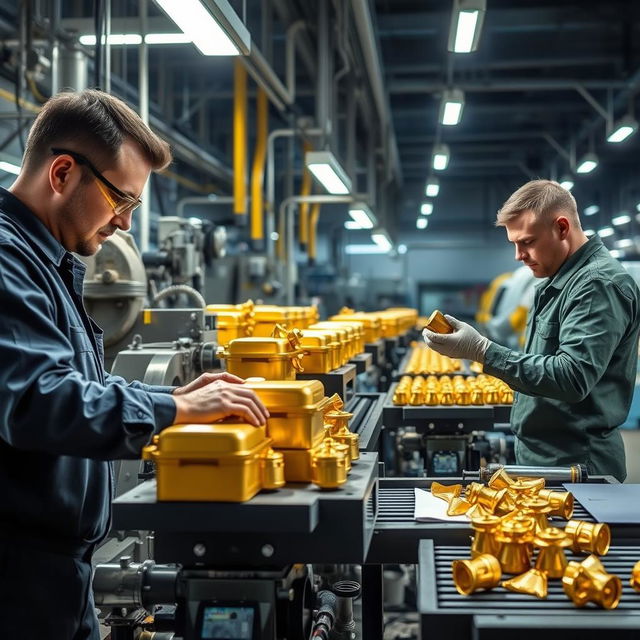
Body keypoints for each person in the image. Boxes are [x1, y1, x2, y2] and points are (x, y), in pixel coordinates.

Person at [0, 90, 269, 639]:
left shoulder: (49, 265)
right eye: (120, 200)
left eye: (132, 208)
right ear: (62, 173)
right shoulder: (6, 260)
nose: (124, 225)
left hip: (57, 572)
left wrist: (171, 399)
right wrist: (176, 407)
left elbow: (73, 385)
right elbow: (37, 401)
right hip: (16, 577)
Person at [423, 179, 640, 482]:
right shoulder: (556, 281)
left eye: (526, 242)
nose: (518, 255)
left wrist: (482, 350)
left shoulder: (596, 285)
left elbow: (571, 377)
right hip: (544, 457)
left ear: (562, 228)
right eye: (514, 244)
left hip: (577, 464)